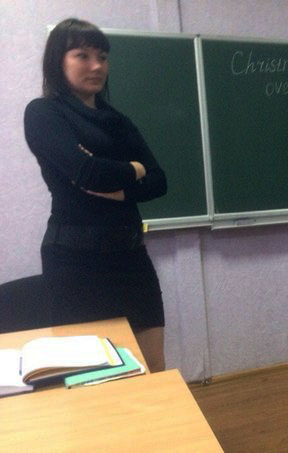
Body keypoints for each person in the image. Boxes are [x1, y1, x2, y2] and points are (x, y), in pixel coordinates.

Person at [23, 18, 168, 371]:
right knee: (90, 376)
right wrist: (134, 168)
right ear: (58, 61)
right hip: (76, 262)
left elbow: (160, 181)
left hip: (131, 258)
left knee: (153, 373)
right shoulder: (44, 113)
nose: (96, 66)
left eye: (102, 57)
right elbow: (88, 173)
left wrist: (119, 188)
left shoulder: (118, 121)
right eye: (82, 55)